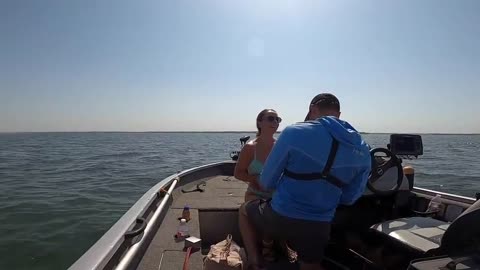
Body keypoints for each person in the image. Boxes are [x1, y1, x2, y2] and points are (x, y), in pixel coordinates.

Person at [239, 93, 372, 270]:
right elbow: (349, 198)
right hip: (320, 224)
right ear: (338, 114)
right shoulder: (362, 148)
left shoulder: (294, 132)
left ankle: (255, 262)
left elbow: (267, 182)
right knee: (311, 264)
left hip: (280, 217)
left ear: (312, 110)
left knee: (244, 211)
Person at [234, 108, 281, 262]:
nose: (275, 122)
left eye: (277, 119)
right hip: (255, 193)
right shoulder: (250, 148)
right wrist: (253, 179)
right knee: (259, 211)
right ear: (259, 122)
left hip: (277, 194)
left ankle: (272, 243)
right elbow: (238, 173)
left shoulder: (281, 146)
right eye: (270, 118)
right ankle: (256, 256)